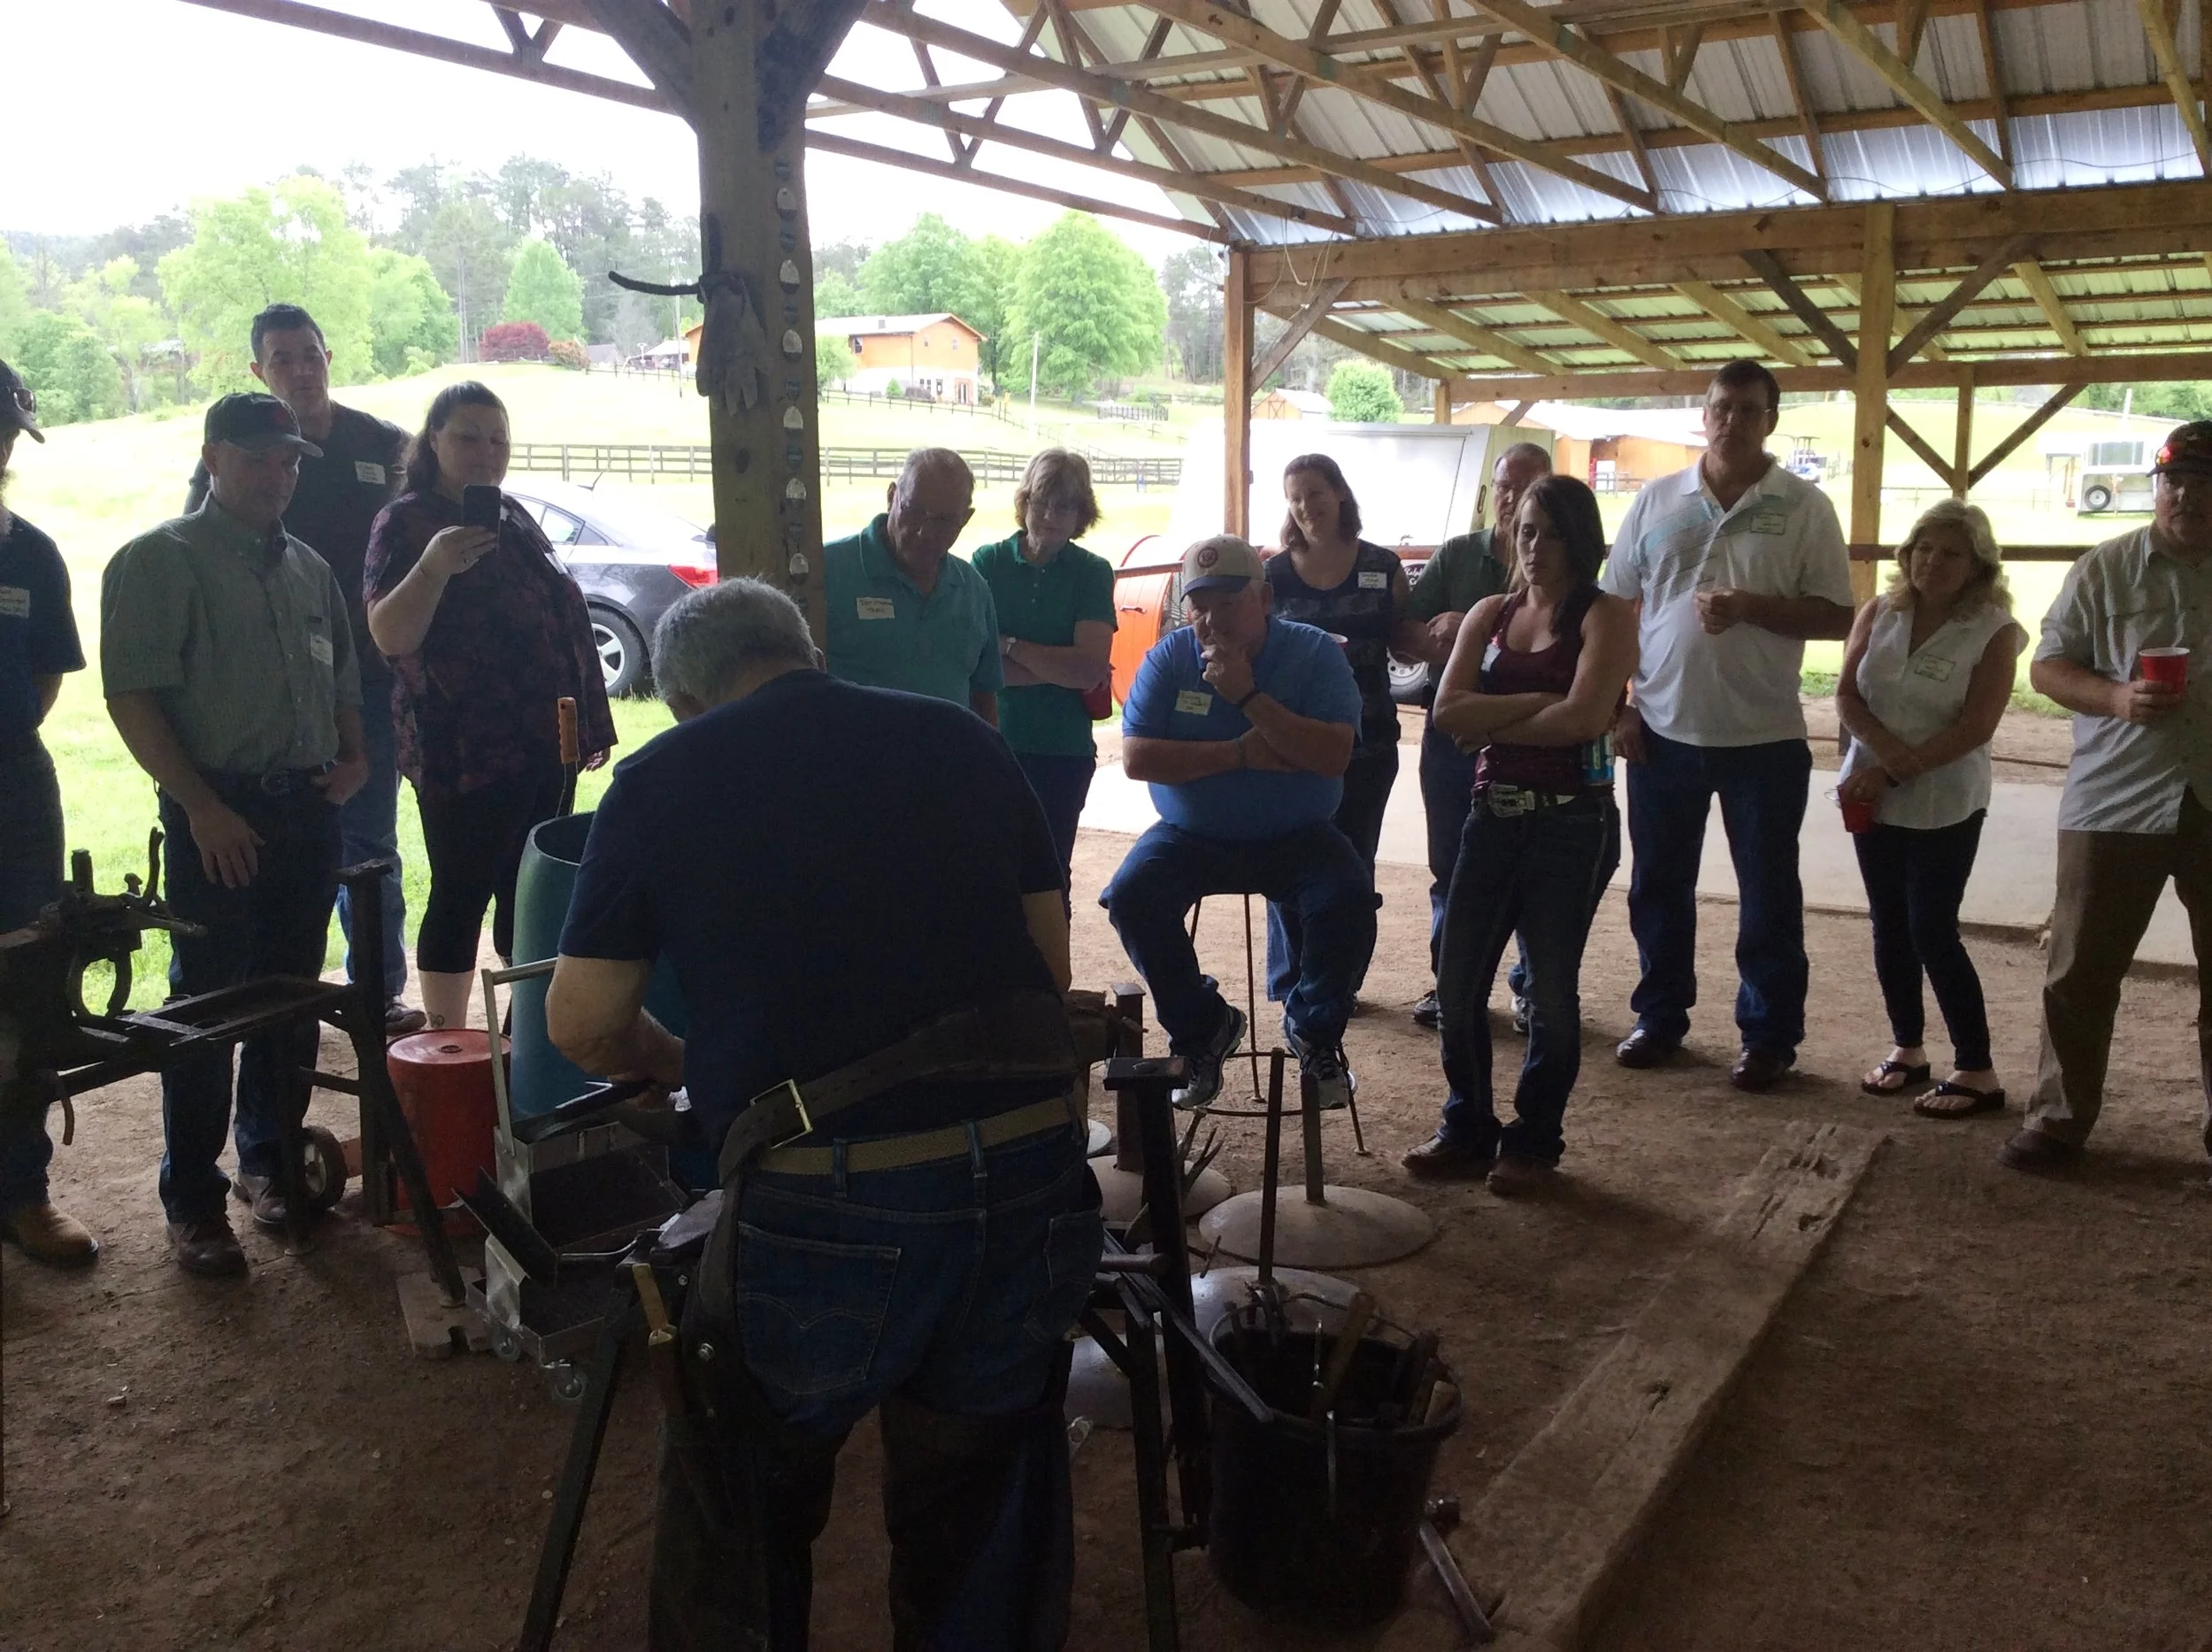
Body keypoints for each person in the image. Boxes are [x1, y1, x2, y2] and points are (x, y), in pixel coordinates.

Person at [543, 577, 1098, 1650]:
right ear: (803, 650)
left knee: (737, 1476)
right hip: (1033, 1163)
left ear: (687, 696)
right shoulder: (965, 742)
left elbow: (582, 1022)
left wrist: (689, 1065)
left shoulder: (666, 774)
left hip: (829, 1192)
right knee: (980, 1493)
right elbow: (1049, 971)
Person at [102, 394, 369, 1276]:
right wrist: (199, 807)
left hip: (304, 806)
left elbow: (342, 680)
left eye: (289, 460)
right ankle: (193, 1200)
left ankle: (268, 1160)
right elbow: (132, 695)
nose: (277, 475)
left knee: (290, 997)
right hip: (215, 806)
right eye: (257, 458)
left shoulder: (310, 568)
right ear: (214, 457)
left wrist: (354, 755)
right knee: (206, 1007)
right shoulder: (158, 560)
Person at [1601, 359, 1855, 1091]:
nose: (1730, 421)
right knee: (1659, 884)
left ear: (1771, 420)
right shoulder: (1657, 499)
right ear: (1703, 415)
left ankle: (1769, 1034)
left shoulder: (1804, 506)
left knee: (1769, 893)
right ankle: (1659, 1017)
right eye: (1720, 407)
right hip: (1662, 731)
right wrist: (1619, 706)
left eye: (1748, 409)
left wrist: (1752, 607)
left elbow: (1839, 615)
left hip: (1763, 739)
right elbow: (1616, 607)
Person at [185, 304, 419, 1035]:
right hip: (275, 695)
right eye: (281, 358)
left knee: (371, 842)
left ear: (329, 355)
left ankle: (375, 995)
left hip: (372, 679)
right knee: (289, 859)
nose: (299, 369)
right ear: (259, 369)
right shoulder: (227, 463)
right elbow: (203, 557)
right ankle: (274, 1005)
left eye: (309, 354)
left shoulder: (384, 444)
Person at [1402, 476, 1634, 1193]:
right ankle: (1468, 1125)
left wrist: (1496, 711)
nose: (1534, 546)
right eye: (1526, 530)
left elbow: (1588, 718)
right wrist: (1545, 702)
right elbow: (1446, 713)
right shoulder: (1489, 612)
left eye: (1552, 532)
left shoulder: (1607, 615)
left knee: (1552, 992)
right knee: (1456, 980)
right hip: (1492, 815)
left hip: (1573, 820)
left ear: (1581, 539)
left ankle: (1535, 1138)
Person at [364, 381, 614, 1032]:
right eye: (468, 437)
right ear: (434, 440)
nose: (486, 452)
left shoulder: (513, 516)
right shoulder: (407, 521)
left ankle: (521, 1031)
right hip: (463, 749)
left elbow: (562, 617)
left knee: (529, 890)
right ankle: (446, 1042)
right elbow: (389, 634)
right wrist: (433, 567)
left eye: (498, 439)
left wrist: (587, 718)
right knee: (461, 889)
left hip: (543, 743)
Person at [2000, 421, 2212, 1172]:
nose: (2186, 494)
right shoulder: (2106, 568)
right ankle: (2058, 1119)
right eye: (2174, 480)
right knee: (2081, 968)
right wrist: (2118, 697)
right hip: (2117, 798)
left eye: (2203, 482)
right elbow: (2049, 668)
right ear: (2156, 486)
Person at [1102, 534, 1375, 1110]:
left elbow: (1333, 755)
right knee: (1131, 896)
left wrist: (1246, 694)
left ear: (1266, 598)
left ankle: (1314, 1030)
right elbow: (1137, 758)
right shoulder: (1169, 658)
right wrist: (1242, 753)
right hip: (1190, 835)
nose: (1209, 618)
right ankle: (1205, 1030)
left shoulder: (1314, 653)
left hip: (1297, 833)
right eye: (1198, 604)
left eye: (1228, 601)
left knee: (1347, 896)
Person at [1835, 501, 2025, 1119]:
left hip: (1945, 800)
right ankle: (1908, 1048)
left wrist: (1891, 766)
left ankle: (1977, 1066)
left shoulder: (1994, 630)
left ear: (1977, 566)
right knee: (1888, 924)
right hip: (1870, 792)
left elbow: (1978, 725)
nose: (1932, 561)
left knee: (1931, 928)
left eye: (1950, 553)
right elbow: (1845, 693)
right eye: (1923, 547)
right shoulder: (1881, 611)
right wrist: (1882, 760)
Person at [1402, 441, 1553, 1030]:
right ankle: (1453, 985)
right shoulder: (1458, 555)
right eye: (1504, 487)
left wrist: (1465, 627)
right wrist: (1441, 637)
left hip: (1531, 737)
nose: (1512, 499)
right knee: (1452, 863)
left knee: (1530, 865)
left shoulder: (1558, 562)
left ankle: (1531, 987)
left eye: (1526, 486)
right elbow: (1407, 631)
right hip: (1453, 737)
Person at [0, 359, 97, 1265]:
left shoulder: (28, 551)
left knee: (25, 986)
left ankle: (22, 1193)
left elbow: (43, 675)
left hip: (15, 792)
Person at [1263, 454, 1414, 1008]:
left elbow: (1405, 639)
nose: (1306, 507)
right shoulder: (1272, 575)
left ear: (1340, 494)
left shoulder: (1383, 565)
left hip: (1367, 741)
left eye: (1315, 494)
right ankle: (1292, 979)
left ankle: (1340, 982)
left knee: (1353, 864)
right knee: (1286, 859)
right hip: (1290, 744)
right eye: (1295, 498)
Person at [973, 449, 1117, 900]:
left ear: (1082, 513)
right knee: (987, 869)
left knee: (1050, 875)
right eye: (1041, 502)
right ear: (1025, 502)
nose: (1051, 515)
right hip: (994, 741)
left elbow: (1089, 670)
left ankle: (1051, 973)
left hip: (1062, 750)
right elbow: (978, 666)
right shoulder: (987, 562)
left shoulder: (1092, 572)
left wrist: (1010, 645)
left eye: (1065, 505)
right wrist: (1060, 667)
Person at [822, 447, 1002, 722]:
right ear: (892, 496)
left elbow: (983, 697)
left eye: (944, 521)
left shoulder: (973, 590)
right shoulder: (826, 571)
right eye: (914, 510)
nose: (924, 532)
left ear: (965, 519)